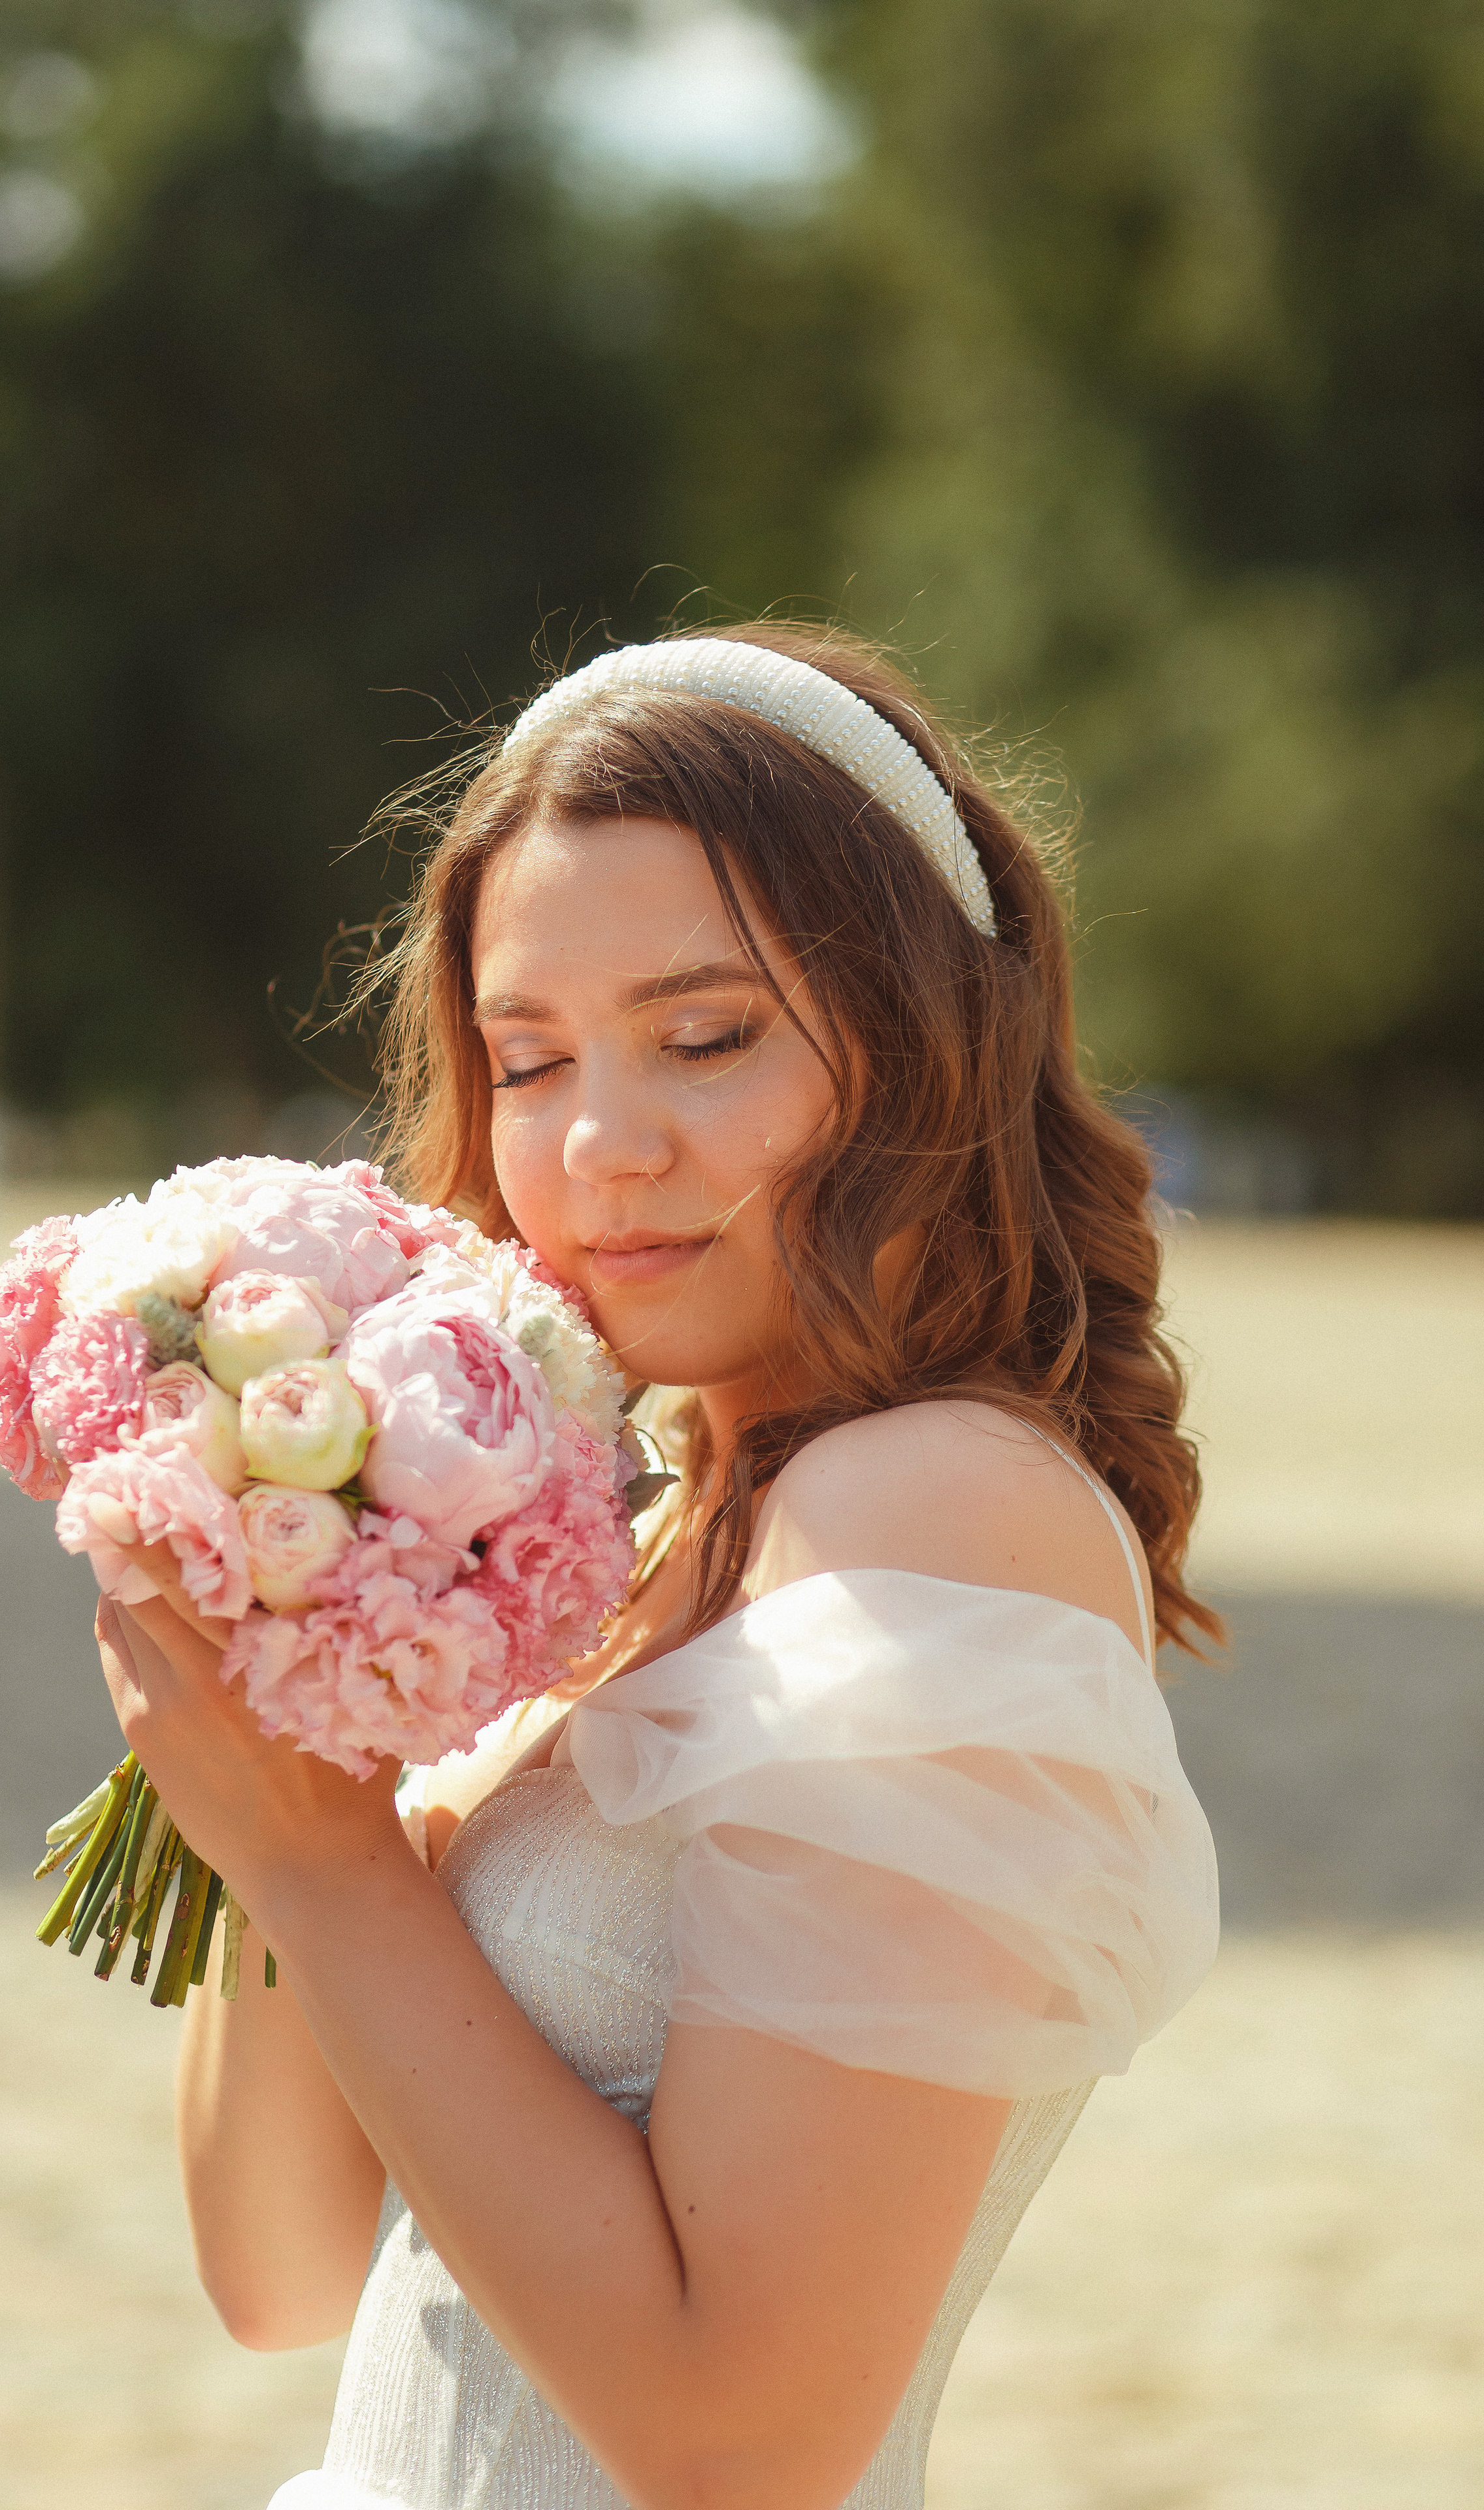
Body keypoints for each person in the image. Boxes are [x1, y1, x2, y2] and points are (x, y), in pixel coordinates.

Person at [95, 622, 1221, 2510]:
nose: (604, 1146)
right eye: (528, 1062)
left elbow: (743, 2441)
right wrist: (289, 1669)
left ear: (928, 1040)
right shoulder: (617, 1532)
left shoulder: (934, 1514)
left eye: (708, 1038)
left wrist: (314, 1849)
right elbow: (280, 2272)